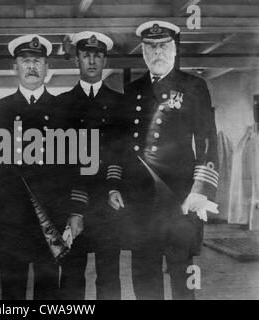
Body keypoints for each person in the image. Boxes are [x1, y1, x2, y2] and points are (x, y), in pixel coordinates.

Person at [0, 34, 86, 300]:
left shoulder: (65, 109)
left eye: (38, 61)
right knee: (12, 291)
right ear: (15, 68)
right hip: (10, 217)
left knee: (48, 290)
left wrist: (77, 210)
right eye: (25, 61)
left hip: (51, 215)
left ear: (47, 69)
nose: (31, 67)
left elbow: (79, 165)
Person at [116, 20, 219, 299]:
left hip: (180, 197)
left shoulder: (194, 86)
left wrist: (201, 190)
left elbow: (207, 140)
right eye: (150, 46)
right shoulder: (132, 90)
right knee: (144, 272)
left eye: (163, 45)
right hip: (141, 199)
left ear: (175, 49)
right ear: (143, 52)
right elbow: (124, 146)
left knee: (181, 271)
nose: (157, 52)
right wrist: (118, 186)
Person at [58, 31, 125, 300]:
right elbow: (60, 161)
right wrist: (74, 207)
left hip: (108, 204)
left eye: (98, 55)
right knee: (72, 275)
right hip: (73, 206)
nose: (92, 61)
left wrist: (113, 187)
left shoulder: (120, 104)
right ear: (77, 60)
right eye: (86, 55)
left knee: (109, 275)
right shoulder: (61, 104)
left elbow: (122, 154)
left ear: (105, 60)